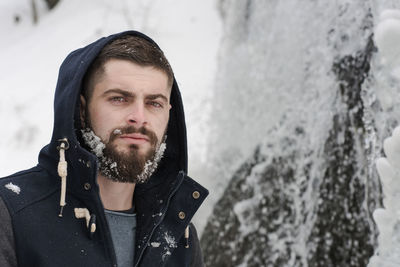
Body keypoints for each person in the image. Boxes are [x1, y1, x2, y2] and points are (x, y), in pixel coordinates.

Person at [0, 31, 208, 267]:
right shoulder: (11, 213)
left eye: (154, 103)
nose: (139, 118)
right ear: (81, 109)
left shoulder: (179, 235)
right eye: (119, 98)